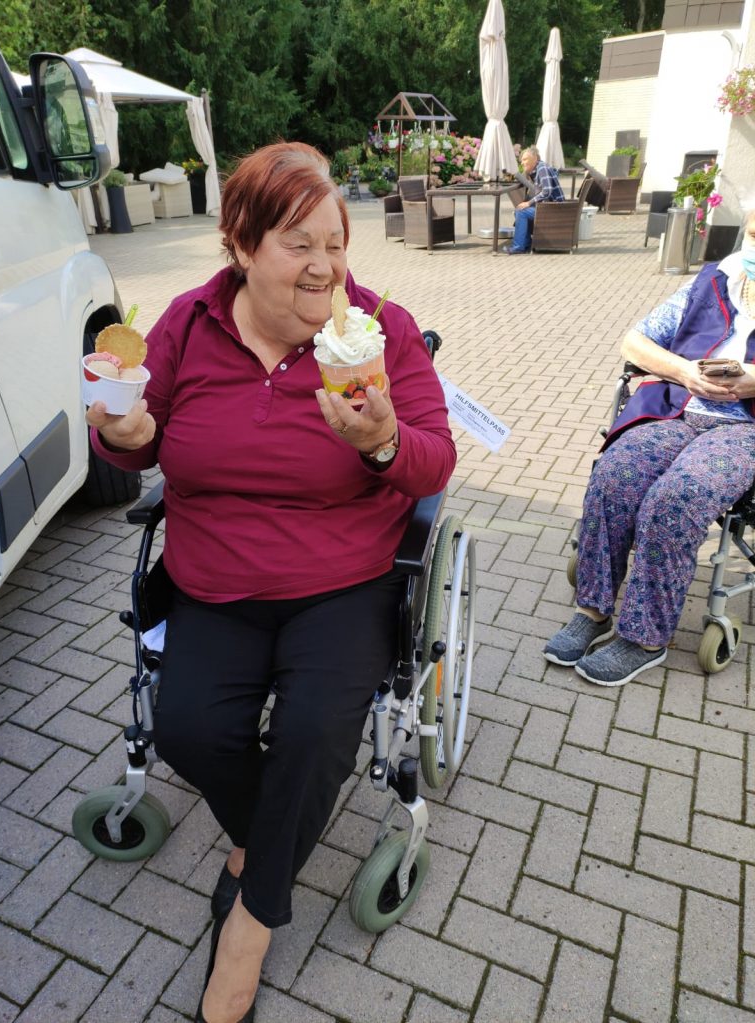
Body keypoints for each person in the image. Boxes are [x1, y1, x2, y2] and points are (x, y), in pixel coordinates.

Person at [86, 142, 456, 1023]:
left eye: (337, 241)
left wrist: (380, 442)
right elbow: (133, 439)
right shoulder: (186, 324)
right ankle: (265, 839)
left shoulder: (376, 333)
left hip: (343, 581)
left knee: (317, 733)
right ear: (242, 244)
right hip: (216, 580)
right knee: (186, 726)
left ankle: (252, 920)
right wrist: (127, 431)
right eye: (301, 242)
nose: (328, 265)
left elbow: (435, 457)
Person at [544, 207, 755, 687]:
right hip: (677, 406)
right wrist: (684, 371)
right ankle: (593, 608)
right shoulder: (715, 281)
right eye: (753, 233)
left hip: (743, 429)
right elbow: (634, 341)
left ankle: (644, 637)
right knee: (615, 474)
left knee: (675, 499)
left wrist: (750, 383)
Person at [505, 144, 565, 254]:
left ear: (535, 158)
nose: (522, 163)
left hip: (554, 210)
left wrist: (529, 203)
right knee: (519, 210)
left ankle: (519, 247)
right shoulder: (537, 169)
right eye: (521, 161)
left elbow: (547, 191)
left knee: (521, 212)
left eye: (525, 159)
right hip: (549, 207)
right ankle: (526, 244)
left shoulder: (542, 168)